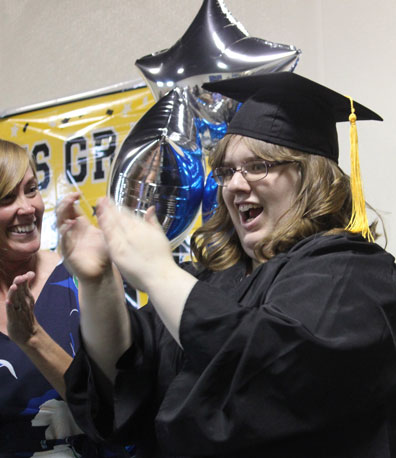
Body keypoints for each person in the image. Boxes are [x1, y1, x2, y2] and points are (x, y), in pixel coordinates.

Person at [59, 72, 396, 458]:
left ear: (311, 179)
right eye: (226, 171)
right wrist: (98, 282)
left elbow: (275, 374)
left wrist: (157, 271)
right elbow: (128, 380)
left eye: (258, 166)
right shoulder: (213, 280)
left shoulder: (354, 274)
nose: (234, 185)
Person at [0, 139, 132, 457]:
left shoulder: (81, 276)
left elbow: (121, 401)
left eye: (31, 189)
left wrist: (33, 338)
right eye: (7, 197)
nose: (28, 207)